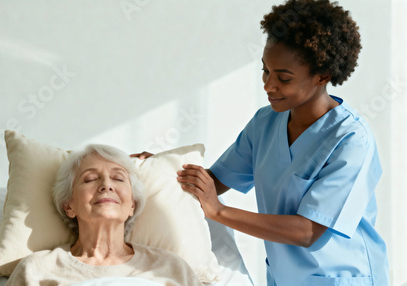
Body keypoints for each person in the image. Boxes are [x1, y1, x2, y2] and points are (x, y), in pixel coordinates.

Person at [133, 0, 388, 285]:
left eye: (283, 77)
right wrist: (163, 168)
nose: (268, 85)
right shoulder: (265, 123)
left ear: (322, 76)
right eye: (266, 71)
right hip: (283, 278)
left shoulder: (351, 140)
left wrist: (219, 211)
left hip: (342, 279)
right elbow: (212, 184)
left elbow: (308, 231)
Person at [7, 144, 203, 286]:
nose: (106, 185)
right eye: (90, 179)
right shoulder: (36, 269)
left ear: (132, 205)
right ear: (69, 206)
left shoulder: (170, 267)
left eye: (118, 178)